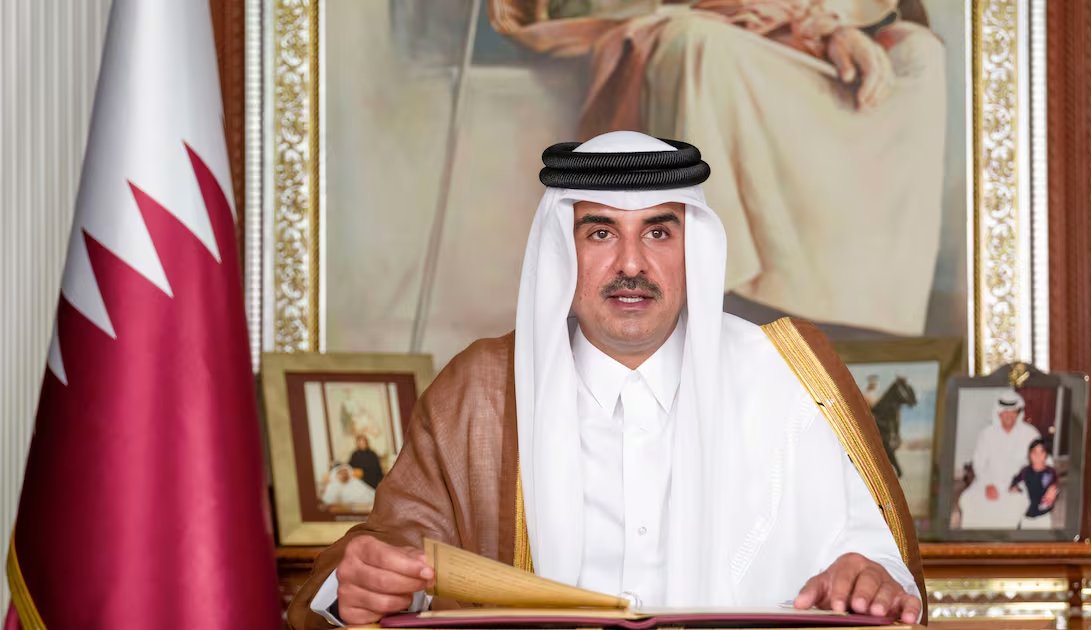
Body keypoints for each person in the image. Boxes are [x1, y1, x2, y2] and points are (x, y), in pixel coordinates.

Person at [287, 132, 924, 628]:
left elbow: (878, 563)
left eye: (658, 232)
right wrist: (361, 585)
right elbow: (384, 556)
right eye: (600, 233)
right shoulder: (481, 391)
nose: (631, 264)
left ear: (694, 247)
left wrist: (872, 580)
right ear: (561, 251)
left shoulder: (791, 374)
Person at [491, 0, 946, 335]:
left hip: (802, 38)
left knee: (918, 54)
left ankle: (869, 318)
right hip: (714, 22)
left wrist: (837, 27)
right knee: (697, 45)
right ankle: (722, 297)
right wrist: (819, 28)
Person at [957, 389, 1042, 529]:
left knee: (1011, 506)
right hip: (989, 479)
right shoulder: (986, 434)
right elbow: (978, 463)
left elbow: (1042, 461)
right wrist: (987, 484)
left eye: (1013, 411)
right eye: (1005, 411)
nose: (1009, 415)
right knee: (969, 500)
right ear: (998, 413)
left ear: (1018, 413)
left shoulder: (1031, 434)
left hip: (1018, 483)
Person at [1008, 438, 1059, 530]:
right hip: (1026, 516)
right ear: (1029, 454)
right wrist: (1015, 487)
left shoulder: (1050, 472)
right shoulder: (1025, 471)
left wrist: (1053, 491)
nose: (1038, 456)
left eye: (1041, 452)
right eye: (1034, 452)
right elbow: (1015, 481)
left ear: (1046, 454)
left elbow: (1055, 486)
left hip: (1043, 515)